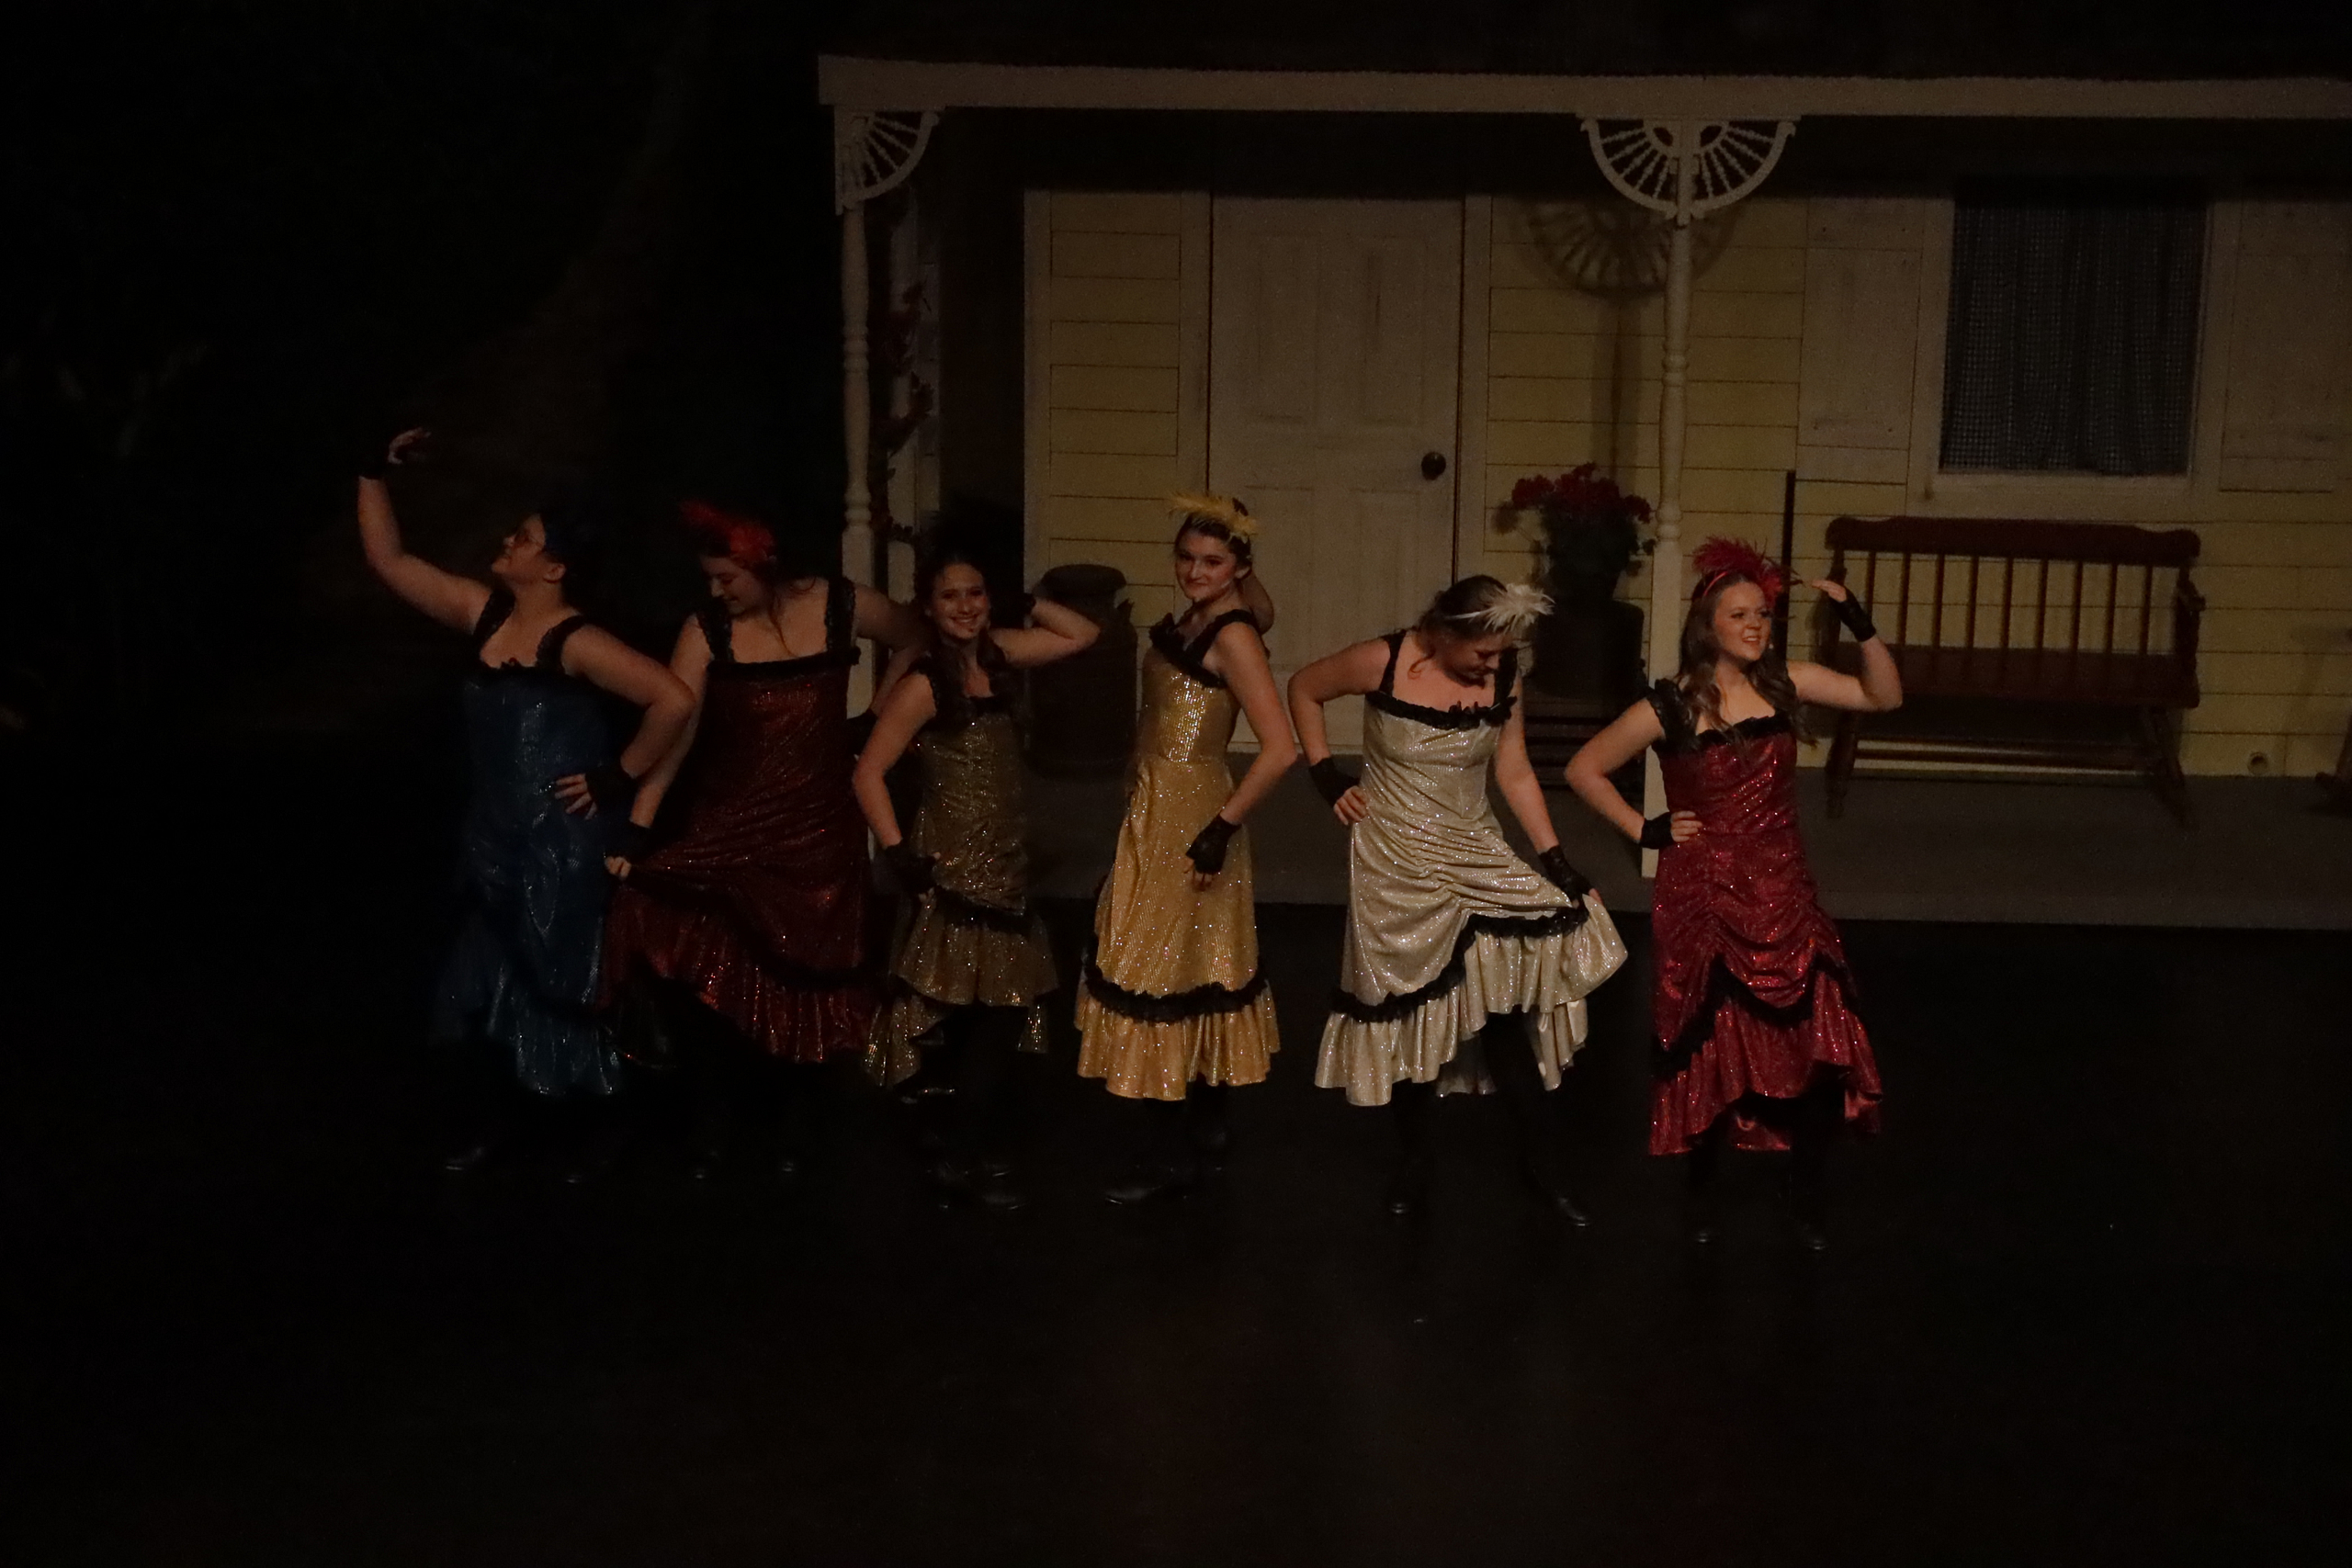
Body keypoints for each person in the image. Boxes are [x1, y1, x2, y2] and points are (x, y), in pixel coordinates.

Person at [356, 429, 693, 1177]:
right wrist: (371, 471)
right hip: (496, 834)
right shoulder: (483, 614)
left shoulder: (576, 640)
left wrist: (615, 777)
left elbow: (671, 698)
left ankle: (598, 1125)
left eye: (526, 538)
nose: (508, 541)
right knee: (491, 980)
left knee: (562, 976)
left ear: (554, 566)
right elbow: (391, 561)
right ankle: (506, 1121)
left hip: (559, 841)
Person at [1562, 537, 1901, 1249]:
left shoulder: (1787, 682)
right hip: (1708, 891)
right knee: (1712, 1044)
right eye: (1739, 614)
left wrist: (1859, 622)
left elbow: (1883, 695)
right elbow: (1584, 768)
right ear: (1707, 624)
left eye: (1762, 615)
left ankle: (1804, 1187)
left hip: (1782, 885)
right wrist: (1646, 828)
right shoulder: (1671, 704)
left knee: (1816, 1039)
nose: (1755, 626)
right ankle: (1702, 1190)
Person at [601, 501, 923, 1181]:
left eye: (727, 578)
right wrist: (640, 822)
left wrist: (877, 716)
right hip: (733, 823)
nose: (717, 590)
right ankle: (714, 1118)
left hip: (817, 826)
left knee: (806, 976)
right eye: (710, 579)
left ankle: (794, 1122)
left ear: (764, 565)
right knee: (692, 945)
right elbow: (680, 729)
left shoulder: (840, 604)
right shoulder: (707, 629)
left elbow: (916, 636)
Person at [1288, 576, 1627, 1220]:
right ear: (1444, 633)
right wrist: (1325, 772)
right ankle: (1414, 1160)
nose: (1492, 666)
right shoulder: (1384, 658)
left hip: (1472, 845)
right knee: (1408, 1004)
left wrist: (1555, 859)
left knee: (1502, 1006)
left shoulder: (1503, 677)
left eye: (1502, 654)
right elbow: (1304, 686)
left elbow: (1514, 769)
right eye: (1483, 653)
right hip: (1394, 857)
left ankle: (1541, 1162)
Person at [854, 547, 1099, 1211]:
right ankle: (961, 1152)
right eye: (950, 596)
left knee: (990, 1005)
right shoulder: (924, 683)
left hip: (1004, 857)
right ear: (928, 608)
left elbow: (1082, 634)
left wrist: (1024, 601)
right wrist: (898, 852)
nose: (965, 607)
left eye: (976, 593)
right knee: (987, 1008)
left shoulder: (1000, 654)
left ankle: (960, 1142)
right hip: (953, 866)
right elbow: (868, 771)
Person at [1075, 495, 1293, 1203]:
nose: (1195, 572)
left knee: (1159, 966)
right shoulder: (1217, 614)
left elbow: (1280, 747)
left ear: (1238, 568)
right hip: (1154, 798)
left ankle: (1169, 1153)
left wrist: (1221, 826)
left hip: (1192, 808)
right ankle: (1205, 1123)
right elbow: (1265, 607)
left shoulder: (1233, 635)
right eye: (1187, 558)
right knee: (1192, 956)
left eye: (1213, 561)